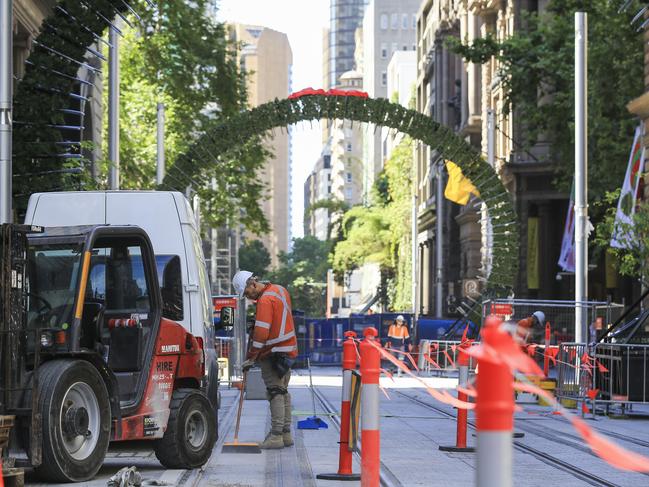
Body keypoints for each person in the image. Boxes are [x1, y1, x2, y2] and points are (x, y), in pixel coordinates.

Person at [232, 270, 298, 450]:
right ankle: (286, 434)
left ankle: (276, 436)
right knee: (283, 391)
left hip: (274, 353)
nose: (247, 297)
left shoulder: (265, 300)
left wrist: (252, 357)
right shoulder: (280, 290)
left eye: (246, 292)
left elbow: (261, 333)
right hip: (288, 351)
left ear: (252, 284)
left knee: (275, 392)